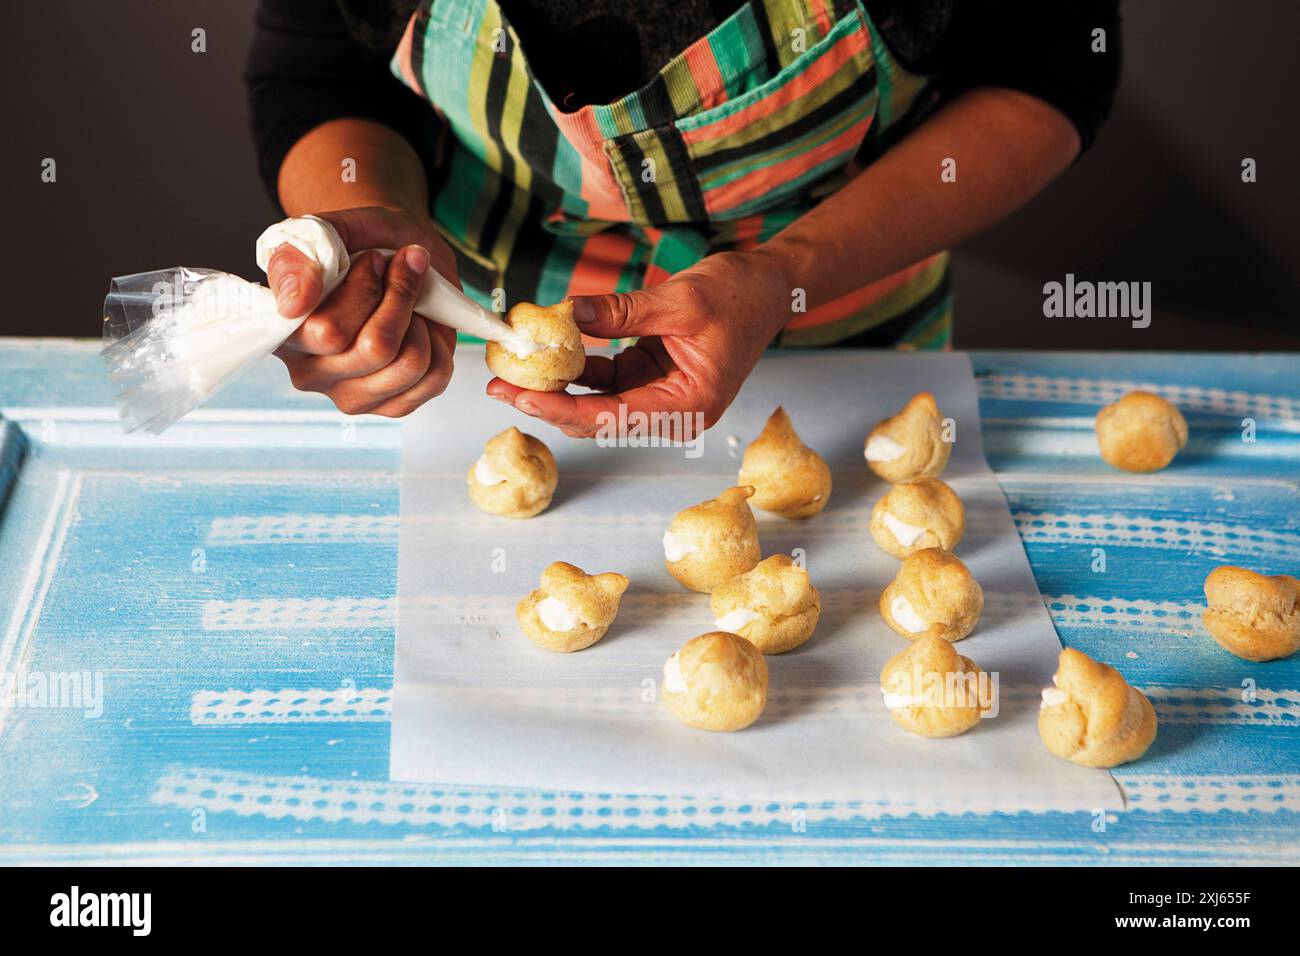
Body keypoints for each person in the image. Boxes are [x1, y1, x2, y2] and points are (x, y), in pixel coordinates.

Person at [247, 0, 1120, 434]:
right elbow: (323, 72)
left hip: (847, 344)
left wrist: (786, 277)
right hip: (477, 366)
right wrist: (373, 221)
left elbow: (1050, 70)